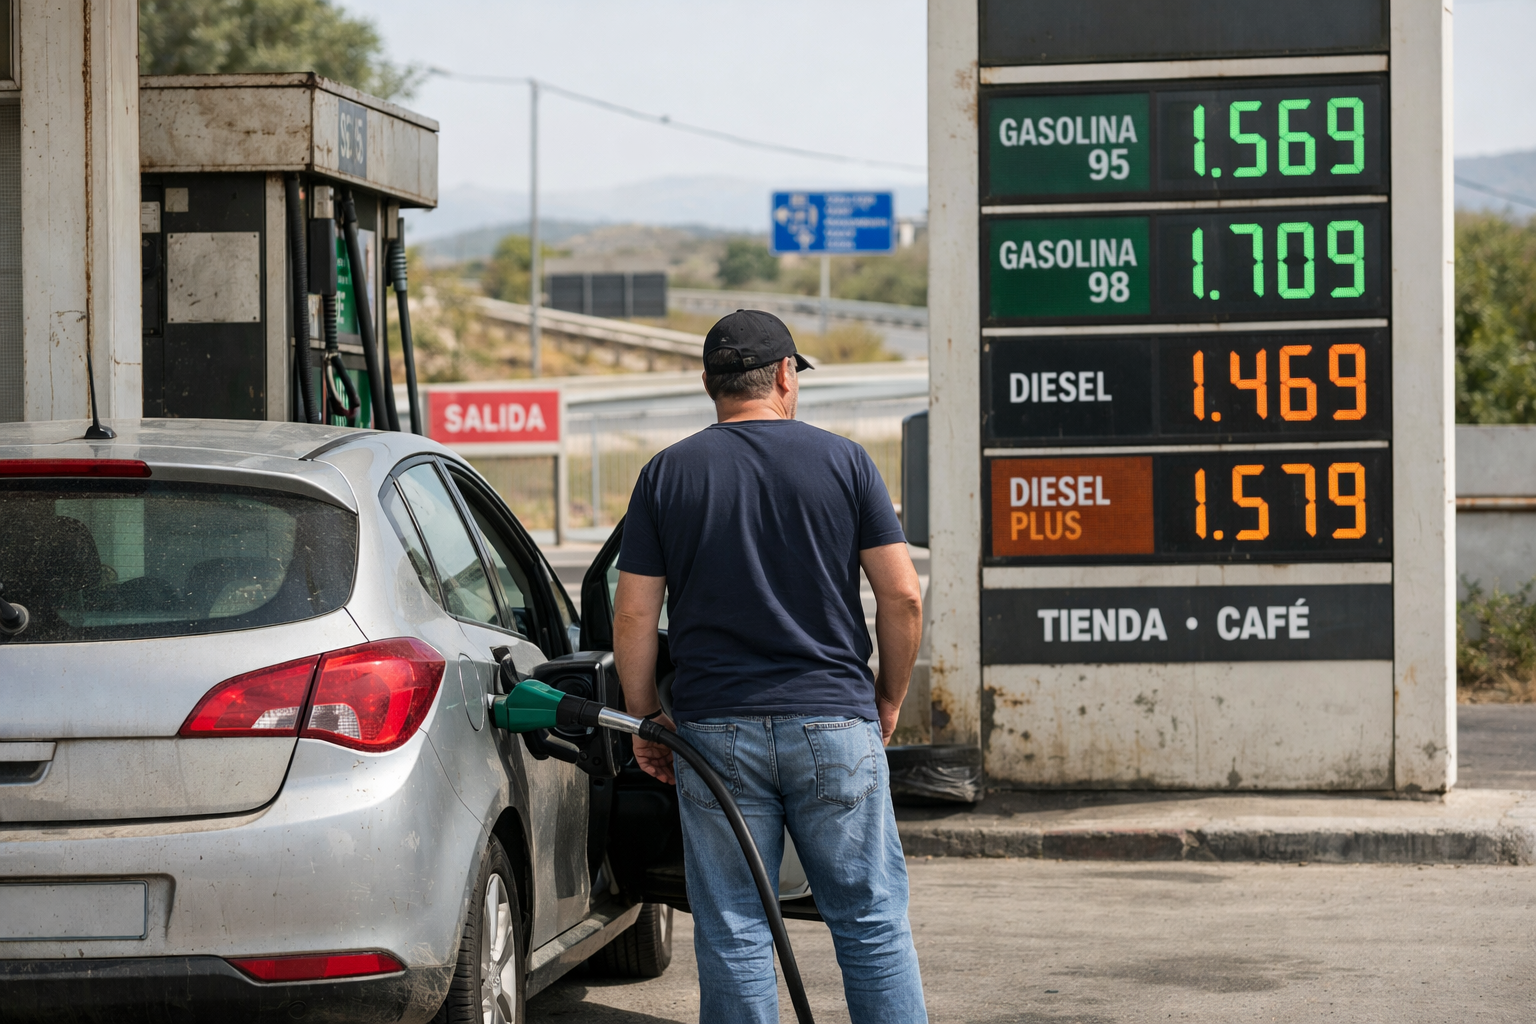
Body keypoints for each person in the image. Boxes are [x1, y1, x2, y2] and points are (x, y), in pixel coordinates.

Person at [611, 309, 928, 1024]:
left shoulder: (666, 474)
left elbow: (633, 615)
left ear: (708, 384)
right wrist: (887, 696)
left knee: (734, 927)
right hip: (834, 720)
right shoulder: (846, 462)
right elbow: (903, 596)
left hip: (715, 732)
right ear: (786, 374)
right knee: (870, 920)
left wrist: (645, 716)